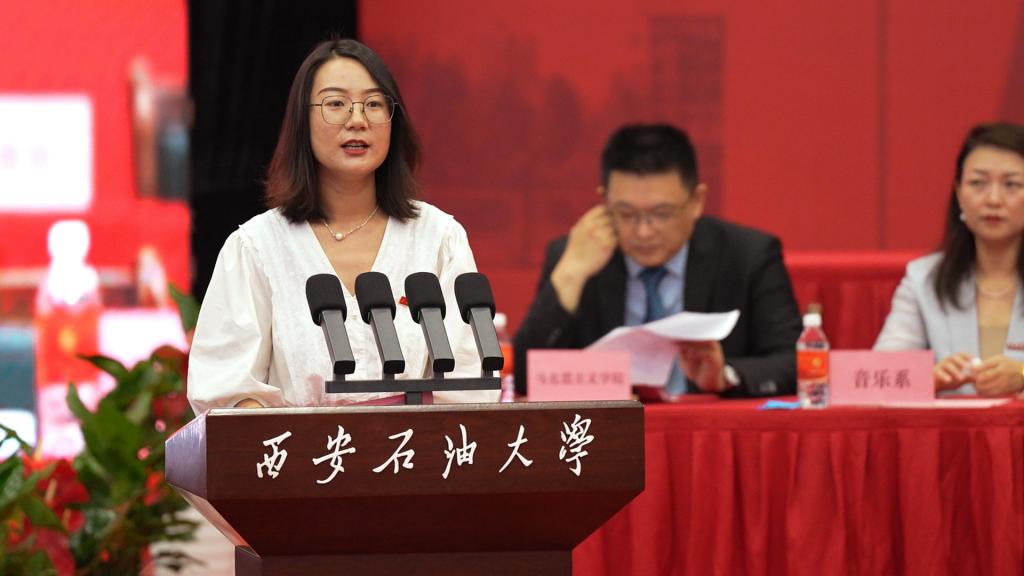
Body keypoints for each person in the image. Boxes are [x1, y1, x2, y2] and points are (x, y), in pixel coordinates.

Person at [187, 39, 497, 413]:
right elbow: (226, 390)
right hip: (300, 449)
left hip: (413, 448)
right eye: (335, 104)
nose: (357, 120)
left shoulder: (438, 239)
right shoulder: (257, 247)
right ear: (302, 121)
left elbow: (467, 389)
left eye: (374, 104)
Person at [514, 123, 802, 398]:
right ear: (604, 203)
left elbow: (795, 361)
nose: (643, 231)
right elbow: (524, 376)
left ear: (697, 201)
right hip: (609, 428)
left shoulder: (748, 255)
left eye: (662, 214)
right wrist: (571, 274)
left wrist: (725, 375)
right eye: (626, 213)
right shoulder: (574, 257)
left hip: (704, 426)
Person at [875, 122, 1024, 397]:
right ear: (958, 193)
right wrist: (926, 379)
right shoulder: (924, 279)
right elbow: (880, 374)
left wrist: (1022, 374)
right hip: (952, 425)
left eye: (1011, 184)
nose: (993, 199)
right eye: (978, 183)